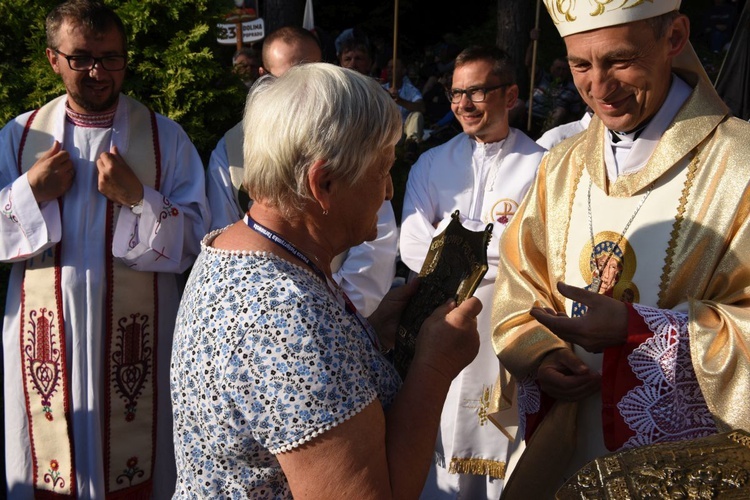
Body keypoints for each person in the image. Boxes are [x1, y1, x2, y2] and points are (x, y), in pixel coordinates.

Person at [170, 62, 482, 498]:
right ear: (325, 182)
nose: (390, 190)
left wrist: (366, 337)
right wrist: (433, 368)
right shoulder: (285, 315)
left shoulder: (240, 247)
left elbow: (292, 390)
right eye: (382, 169)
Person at [492, 1, 750, 498]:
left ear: (674, 37)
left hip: (689, 470)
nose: (599, 88)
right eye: (580, 65)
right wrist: (542, 355)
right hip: (569, 449)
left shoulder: (739, 164)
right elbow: (519, 287)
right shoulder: (561, 166)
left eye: (620, 61)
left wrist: (640, 333)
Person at [0, 0, 209, 497]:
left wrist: (139, 198)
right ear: (54, 59)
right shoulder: (20, 136)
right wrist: (31, 190)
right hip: (45, 336)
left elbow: (198, 240)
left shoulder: (166, 139)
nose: (98, 71)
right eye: (82, 58)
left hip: (141, 338)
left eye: (111, 57)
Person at [399, 45, 545, 499]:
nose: (462, 104)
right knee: (438, 441)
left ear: (511, 95)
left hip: (508, 322)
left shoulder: (542, 166)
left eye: (477, 92)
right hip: (439, 320)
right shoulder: (432, 163)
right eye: (456, 93)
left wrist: (457, 246)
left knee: (508, 447)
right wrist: (492, 255)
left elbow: (540, 249)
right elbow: (411, 242)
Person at [206, 25, 399, 317]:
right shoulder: (232, 148)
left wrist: (347, 318)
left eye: (314, 71)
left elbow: (375, 235)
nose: (306, 89)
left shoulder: (351, 141)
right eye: (290, 80)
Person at [382, 58, 427, 160]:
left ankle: (411, 146)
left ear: (403, 71)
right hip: (389, 131)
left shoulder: (410, 90)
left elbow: (422, 108)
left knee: (417, 115)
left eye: (394, 67)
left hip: (405, 131)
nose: (390, 70)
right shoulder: (381, 89)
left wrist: (400, 101)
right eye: (388, 67)